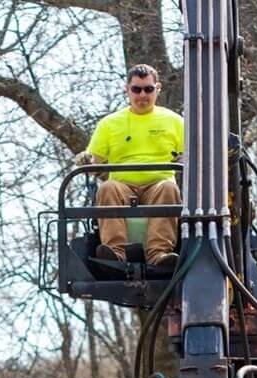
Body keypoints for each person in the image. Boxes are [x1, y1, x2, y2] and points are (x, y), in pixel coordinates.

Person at [77, 65, 183, 269]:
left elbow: (191, 154)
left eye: (148, 89)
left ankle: (159, 254)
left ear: (158, 89)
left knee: (168, 189)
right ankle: (116, 253)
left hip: (158, 186)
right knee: (107, 188)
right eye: (136, 89)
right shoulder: (110, 124)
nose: (142, 95)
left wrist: (184, 159)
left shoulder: (174, 121)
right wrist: (86, 160)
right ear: (127, 90)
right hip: (122, 188)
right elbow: (94, 163)